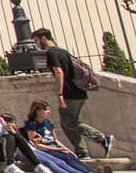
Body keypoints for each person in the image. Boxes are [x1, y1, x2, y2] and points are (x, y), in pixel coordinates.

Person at [37, 28, 113, 159]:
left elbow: (59, 72)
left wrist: (60, 94)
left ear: (43, 38)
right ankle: (82, 152)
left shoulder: (52, 53)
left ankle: (102, 138)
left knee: (70, 122)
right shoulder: (63, 52)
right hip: (79, 91)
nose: (36, 44)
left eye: (37, 40)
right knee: (67, 122)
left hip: (69, 92)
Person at [21, 100, 101, 173]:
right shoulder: (32, 125)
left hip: (55, 148)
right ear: (37, 111)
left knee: (71, 156)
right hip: (45, 150)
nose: (48, 112)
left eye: (49, 109)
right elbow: (37, 145)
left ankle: (93, 172)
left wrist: (67, 149)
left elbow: (56, 140)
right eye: (45, 110)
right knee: (65, 157)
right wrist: (58, 150)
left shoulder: (48, 123)